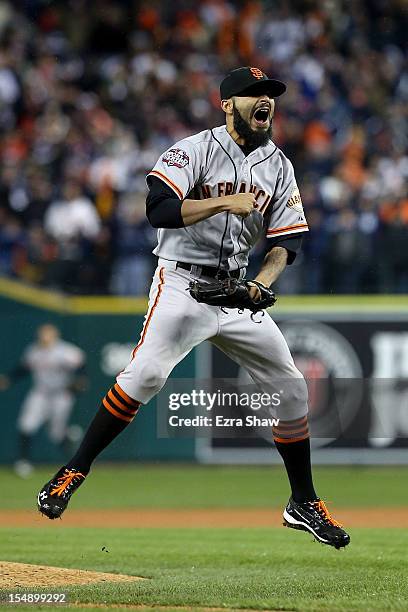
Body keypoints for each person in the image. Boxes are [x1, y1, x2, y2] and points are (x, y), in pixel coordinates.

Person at [37, 67, 350, 549]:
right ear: (227, 104)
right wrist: (223, 203)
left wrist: (261, 285)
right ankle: (74, 469)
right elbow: (158, 209)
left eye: (270, 95)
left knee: (291, 389)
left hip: (235, 291)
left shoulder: (279, 165)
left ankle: (302, 502)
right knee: (144, 377)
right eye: (252, 95)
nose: (264, 101)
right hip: (183, 282)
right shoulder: (193, 150)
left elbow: (288, 241)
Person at [0, 324, 86, 477]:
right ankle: (23, 462)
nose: (44, 337)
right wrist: (8, 379)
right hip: (40, 393)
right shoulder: (33, 351)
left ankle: (75, 456)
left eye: (48, 334)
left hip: (61, 394)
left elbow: (81, 366)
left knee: (56, 434)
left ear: (55, 335)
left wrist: (80, 380)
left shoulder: (65, 351)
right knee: (26, 424)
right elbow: (24, 368)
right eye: (42, 334)